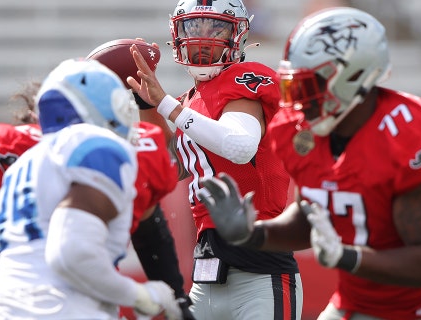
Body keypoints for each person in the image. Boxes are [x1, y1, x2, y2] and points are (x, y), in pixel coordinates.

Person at [197, 7, 421, 320]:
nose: (298, 102)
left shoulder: (408, 134)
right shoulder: (296, 129)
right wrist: (252, 234)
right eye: (291, 88)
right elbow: (313, 211)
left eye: (308, 87)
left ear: (354, 77)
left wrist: (345, 256)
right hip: (360, 302)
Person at [0, 59, 193, 319]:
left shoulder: (21, 164)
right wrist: (146, 296)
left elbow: (150, 238)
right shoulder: (99, 148)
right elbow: (71, 253)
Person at [128, 1, 302, 319]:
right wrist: (146, 104)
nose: (203, 37)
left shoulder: (245, 78)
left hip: (259, 274)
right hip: (206, 272)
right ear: (176, 34)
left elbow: (240, 145)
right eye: (194, 28)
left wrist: (165, 104)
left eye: (215, 27)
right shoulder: (190, 102)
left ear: (239, 35)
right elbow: (165, 169)